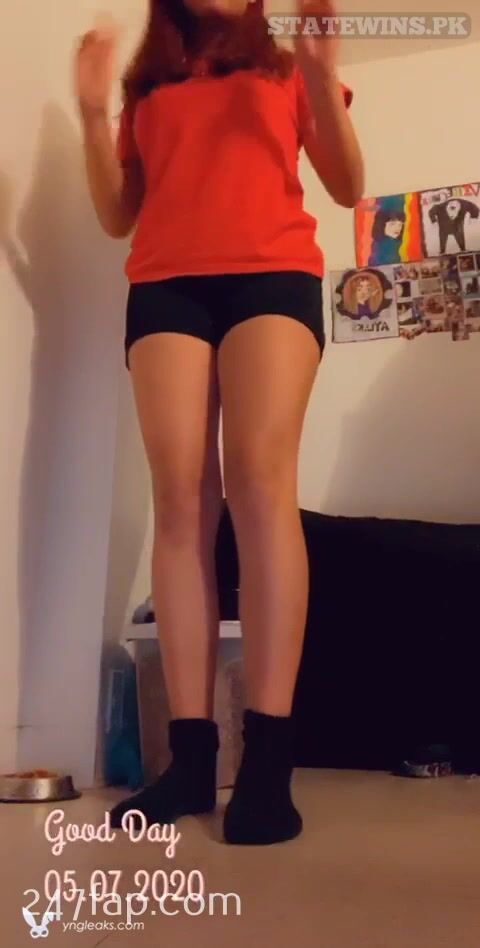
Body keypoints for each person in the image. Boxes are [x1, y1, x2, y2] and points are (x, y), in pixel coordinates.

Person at [74, 0, 363, 846]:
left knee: (260, 487)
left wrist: (321, 76)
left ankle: (267, 764)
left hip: (271, 273)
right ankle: (190, 760)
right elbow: (117, 213)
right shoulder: (151, 85)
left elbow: (348, 185)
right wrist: (91, 114)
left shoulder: (284, 68)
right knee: (181, 502)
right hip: (166, 284)